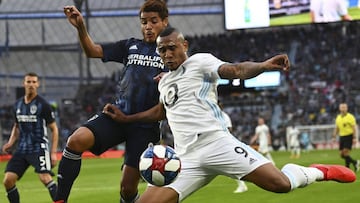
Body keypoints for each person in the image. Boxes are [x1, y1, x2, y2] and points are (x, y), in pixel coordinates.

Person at [102, 26, 357, 203]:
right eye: (162, 51)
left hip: (217, 143)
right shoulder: (164, 82)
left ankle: (317, 171)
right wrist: (127, 120)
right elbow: (160, 112)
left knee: (280, 184)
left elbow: (234, 70)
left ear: (184, 45)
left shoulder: (200, 62)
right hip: (185, 159)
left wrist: (264, 65)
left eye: (171, 48)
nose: (167, 54)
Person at [55, 1, 169, 203]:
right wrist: (81, 26)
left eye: (153, 21)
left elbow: (161, 112)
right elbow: (92, 51)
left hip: (144, 127)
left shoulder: (171, 55)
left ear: (165, 22)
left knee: (127, 189)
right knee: (75, 140)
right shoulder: (130, 45)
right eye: (144, 22)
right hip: (117, 115)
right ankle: (59, 200)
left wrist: (129, 118)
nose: (148, 26)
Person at [2, 72, 59, 203]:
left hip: (39, 147)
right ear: (24, 84)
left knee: (45, 178)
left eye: (34, 82)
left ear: (38, 84)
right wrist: (10, 143)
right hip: (22, 149)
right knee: (8, 180)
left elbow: (54, 129)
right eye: (29, 82)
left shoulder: (43, 105)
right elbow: (16, 126)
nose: (31, 85)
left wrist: (53, 152)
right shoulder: (17, 105)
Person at [219, 101, 248, 193]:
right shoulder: (213, 115)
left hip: (224, 144)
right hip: (219, 144)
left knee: (230, 167)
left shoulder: (224, 116)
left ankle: (242, 185)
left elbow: (229, 129)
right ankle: (242, 185)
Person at [332, 102, 360, 172]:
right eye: (342, 107)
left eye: (344, 107)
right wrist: (334, 136)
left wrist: (354, 138)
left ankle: (347, 168)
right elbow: (337, 128)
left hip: (349, 136)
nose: (343, 109)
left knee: (345, 152)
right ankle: (355, 162)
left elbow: (354, 128)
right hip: (342, 137)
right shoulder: (338, 117)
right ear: (339, 108)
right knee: (341, 154)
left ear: (347, 108)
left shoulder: (350, 117)